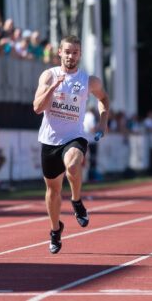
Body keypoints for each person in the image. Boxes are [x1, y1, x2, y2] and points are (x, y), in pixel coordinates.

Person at [33, 35, 109, 253]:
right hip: (50, 141)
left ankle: (76, 201)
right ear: (60, 53)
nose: (71, 56)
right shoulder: (48, 75)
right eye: (67, 52)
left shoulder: (89, 81)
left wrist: (103, 121)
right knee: (53, 191)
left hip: (75, 137)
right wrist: (52, 88)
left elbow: (104, 99)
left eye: (75, 52)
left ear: (80, 55)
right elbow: (37, 108)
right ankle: (55, 231)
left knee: (74, 166)